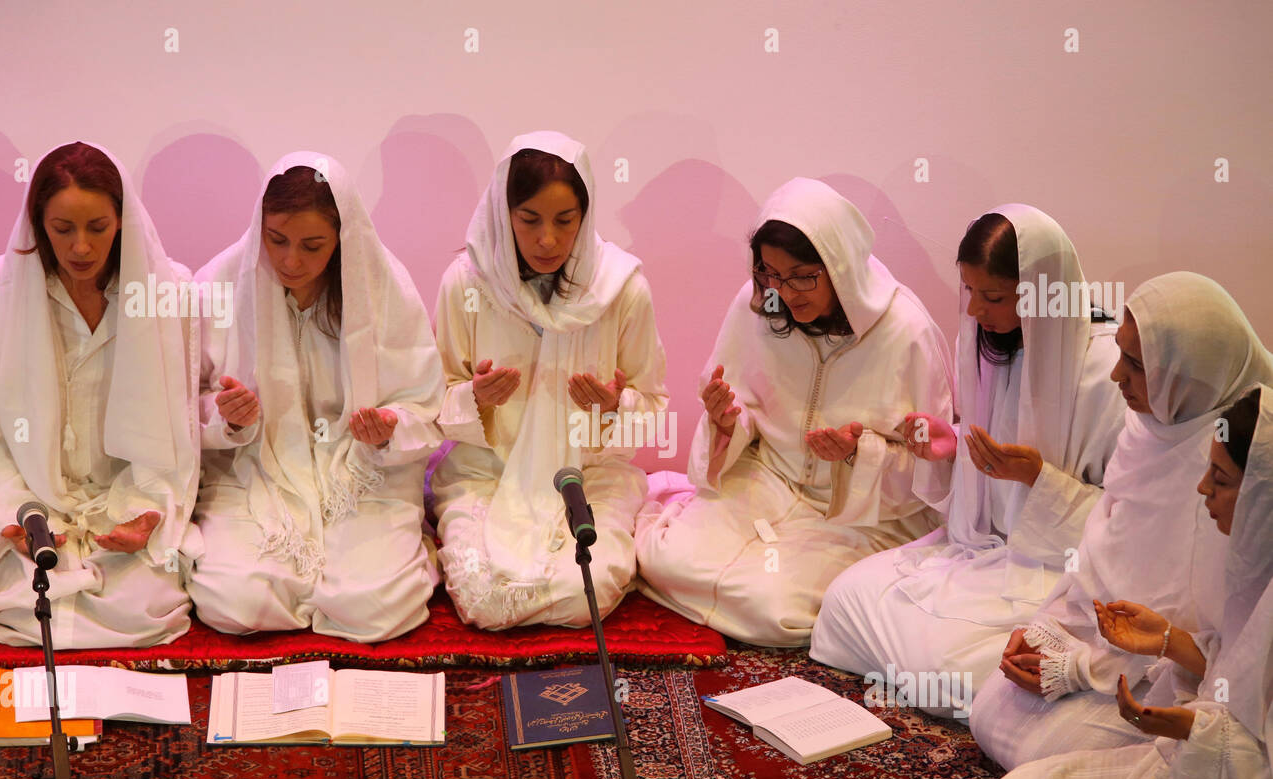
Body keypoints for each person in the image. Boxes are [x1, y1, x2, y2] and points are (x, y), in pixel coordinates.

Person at [809, 206, 1124, 716]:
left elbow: (1125, 519)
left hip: (1053, 567)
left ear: (1042, 292)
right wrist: (949, 449)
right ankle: (935, 671)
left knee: (943, 670)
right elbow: (980, 475)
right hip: (976, 553)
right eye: (969, 292)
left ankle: (954, 678)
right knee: (844, 599)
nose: (975, 309)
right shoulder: (984, 345)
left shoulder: (1107, 369)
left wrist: (1038, 479)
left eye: (992, 296)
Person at [947, 385, 1273, 779]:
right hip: (1178, 754)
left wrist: (1189, 727)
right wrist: (1168, 641)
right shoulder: (1253, 566)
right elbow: (1236, 670)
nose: (1202, 488)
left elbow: (1252, 735)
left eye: (1221, 479)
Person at [969, 272, 1273, 769]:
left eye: (1136, 363)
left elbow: (1212, 630)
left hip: (1170, 672)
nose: (1116, 376)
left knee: (1043, 755)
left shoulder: (1237, 458)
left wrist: (1083, 669)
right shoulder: (1145, 426)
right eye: (1121, 356)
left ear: (1188, 373)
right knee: (987, 712)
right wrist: (1050, 630)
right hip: (1106, 640)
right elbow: (1101, 547)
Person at [634, 178, 955, 647]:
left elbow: (931, 475)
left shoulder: (905, 331)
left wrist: (857, 454)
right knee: (666, 560)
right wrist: (727, 422)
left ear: (839, 266)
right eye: (770, 274)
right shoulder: (759, 304)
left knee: (776, 610)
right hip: (766, 479)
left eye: (803, 276)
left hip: (857, 514)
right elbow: (746, 411)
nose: (785, 292)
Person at [187, 152, 445, 642]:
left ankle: (396, 552)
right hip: (254, 472)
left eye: (312, 246)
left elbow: (424, 406)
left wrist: (389, 427)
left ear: (342, 239)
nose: (290, 260)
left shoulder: (384, 287)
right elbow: (180, 405)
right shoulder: (216, 286)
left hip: (361, 474)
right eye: (277, 240)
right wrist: (227, 421)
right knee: (237, 603)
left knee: (375, 607)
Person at [431, 131, 668, 629]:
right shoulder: (467, 284)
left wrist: (613, 409)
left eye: (565, 221)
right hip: (487, 472)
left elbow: (653, 409)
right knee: (484, 598)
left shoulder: (622, 290)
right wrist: (475, 400)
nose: (547, 240)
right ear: (503, 213)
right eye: (529, 220)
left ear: (586, 215)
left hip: (587, 475)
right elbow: (433, 402)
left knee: (589, 590)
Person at [0, 142, 199, 648]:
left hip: (122, 504)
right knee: (31, 612)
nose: (80, 247)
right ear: (38, 225)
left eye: (97, 228)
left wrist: (144, 513)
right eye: (62, 229)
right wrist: (20, 513)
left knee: (145, 611)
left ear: (123, 221)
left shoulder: (169, 294)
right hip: (33, 504)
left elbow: (175, 433)